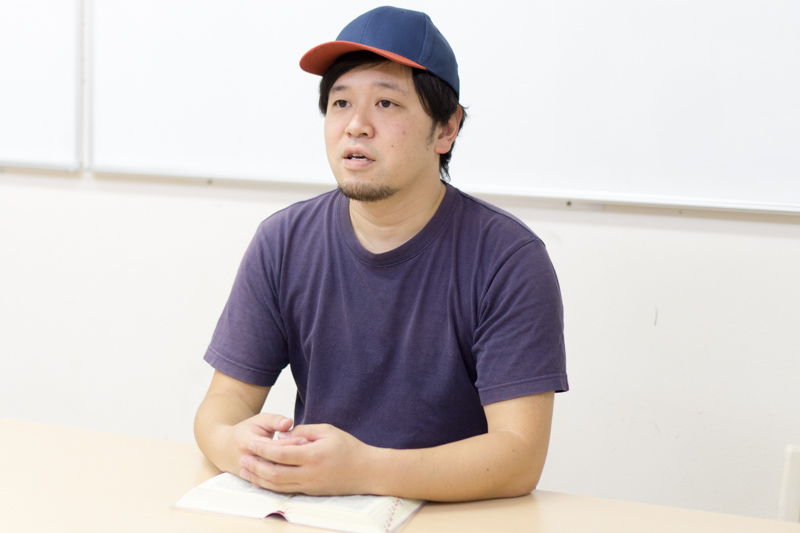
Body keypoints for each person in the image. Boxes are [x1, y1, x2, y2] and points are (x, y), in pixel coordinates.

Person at [194, 6, 568, 502]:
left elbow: (519, 456)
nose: (356, 125)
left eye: (386, 103)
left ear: (446, 128)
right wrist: (237, 446)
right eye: (340, 102)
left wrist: (363, 470)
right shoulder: (282, 240)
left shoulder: (508, 258)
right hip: (315, 511)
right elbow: (225, 401)